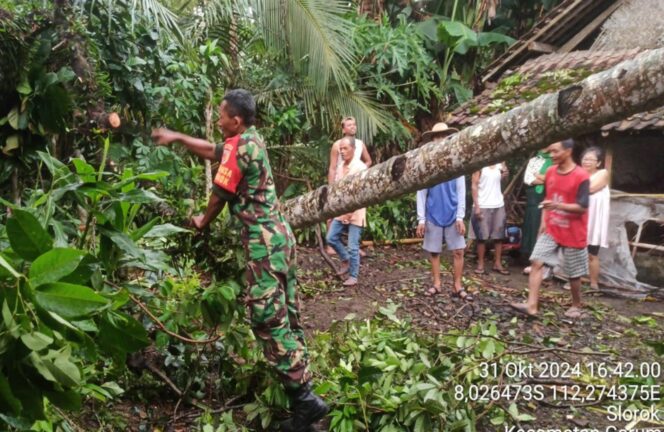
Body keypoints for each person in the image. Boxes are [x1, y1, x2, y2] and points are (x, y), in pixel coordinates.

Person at [151, 89, 327, 431]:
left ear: (236, 119)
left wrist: (202, 221)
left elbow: (221, 192)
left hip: (264, 245)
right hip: (281, 238)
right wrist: (177, 138)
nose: (217, 121)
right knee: (288, 315)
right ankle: (302, 398)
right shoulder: (251, 140)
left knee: (266, 317)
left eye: (221, 116)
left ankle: (305, 401)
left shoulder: (239, 146)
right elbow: (215, 152)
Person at [510, 139, 590, 319]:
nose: (551, 155)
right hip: (552, 228)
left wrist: (557, 206)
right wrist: (543, 225)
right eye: (550, 151)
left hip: (574, 231)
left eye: (555, 151)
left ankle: (576, 305)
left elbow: (583, 206)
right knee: (537, 261)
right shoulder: (551, 172)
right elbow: (548, 200)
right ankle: (532, 305)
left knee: (574, 274)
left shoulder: (581, 176)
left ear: (568, 151)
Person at [414, 123, 471, 300]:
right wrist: (421, 219)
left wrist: (460, 216)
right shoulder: (427, 164)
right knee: (434, 251)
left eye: (443, 136)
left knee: (459, 250)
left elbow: (461, 191)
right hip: (433, 213)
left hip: (453, 213)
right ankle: (437, 283)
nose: (440, 140)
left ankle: (457, 285)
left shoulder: (456, 162)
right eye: (437, 136)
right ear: (432, 140)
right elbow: (421, 193)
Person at [326, 117, 371, 255]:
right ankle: (330, 246)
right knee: (333, 213)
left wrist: (359, 171)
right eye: (349, 125)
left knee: (356, 214)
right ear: (343, 129)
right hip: (340, 181)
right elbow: (332, 168)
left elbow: (368, 161)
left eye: (354, 124)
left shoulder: (360, 144)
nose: (352, 127)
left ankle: (354, 246)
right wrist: (331, 187)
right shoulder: (337, 145)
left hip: (355, 184)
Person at [326, 137, 367, 286]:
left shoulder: (360, 168)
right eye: (340, 149)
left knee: (353, 245)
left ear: (353, 150)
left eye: (345, 148)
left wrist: (350, 213)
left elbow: (361, 194)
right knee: (331, 238)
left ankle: (353, 276)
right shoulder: (340, 167)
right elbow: (337, 190)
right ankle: (345, 258)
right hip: (341, 209)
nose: (342, 152)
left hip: (356, 212)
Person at [470, 162, 510, 275]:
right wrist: (477, 206)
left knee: (499, 236)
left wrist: (505, 175)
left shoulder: (500, 164)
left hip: (498, 203)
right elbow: (474, 185)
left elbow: (500, 181)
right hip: (483, 204)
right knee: (481, 237)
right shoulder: (480, 165)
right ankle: (481, 264)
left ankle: (497, 263)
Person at [581, 146, 610, 290]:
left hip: (594, 221)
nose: (586, 162)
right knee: (577, 252)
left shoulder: (603, 173)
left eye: (590, 159)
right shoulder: (579, 175)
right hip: (580, 218)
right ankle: (576, 280)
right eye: (585, 159)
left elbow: (591, 189)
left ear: (598, 163)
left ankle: (593, 283)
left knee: (592, 253)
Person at [521, 149, 553, 275]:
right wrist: (546, 179)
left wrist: (540, 176)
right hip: (535, 197)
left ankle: (547, 263)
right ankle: (533, 261)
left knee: (548, 229)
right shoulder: (534, 161)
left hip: (550, 196)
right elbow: (528, 179)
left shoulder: (555, 161)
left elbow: (555, 180)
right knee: (534, 227)